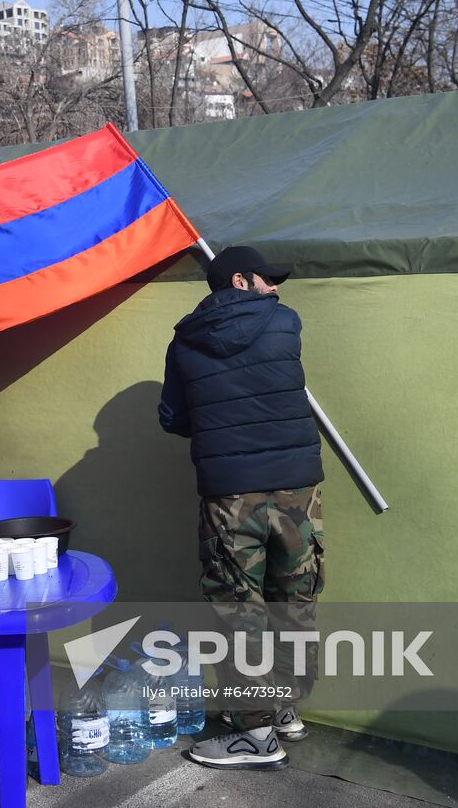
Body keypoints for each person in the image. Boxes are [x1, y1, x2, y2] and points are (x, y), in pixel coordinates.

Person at [158, 245, 325, 770]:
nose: (276, 287)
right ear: (239, 279)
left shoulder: (184, 343)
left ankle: (256, 722)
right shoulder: (285, 324)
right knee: (294, 598)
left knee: (238, 610)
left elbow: (173, 417)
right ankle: (278, 716)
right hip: (299, 491)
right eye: (267, 278)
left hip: (230, 495)